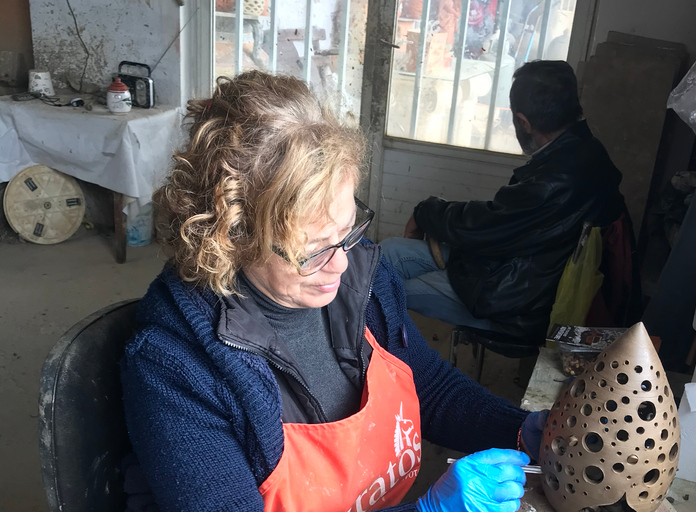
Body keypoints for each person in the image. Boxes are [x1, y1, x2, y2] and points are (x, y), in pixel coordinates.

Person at [120, 70, 549, 512]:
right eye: (311, 249)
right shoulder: (175, 366)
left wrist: (519, 431)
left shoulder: (362, 281)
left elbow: (429, 387)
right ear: (232, 236)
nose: (341, 262)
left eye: (346, 232)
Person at [380, 60, 627, 342]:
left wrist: (426, 212)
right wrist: (431, 214)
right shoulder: (584, 150)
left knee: (381, 289)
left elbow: (484, 226)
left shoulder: (557, 178)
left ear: (523, 122)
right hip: (517, 271)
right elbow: (501, 220)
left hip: (516, 302)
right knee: (388, 253)